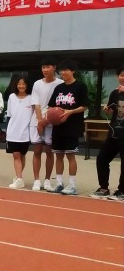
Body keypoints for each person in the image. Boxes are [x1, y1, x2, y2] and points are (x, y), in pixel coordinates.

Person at [45, 60, 88, 196]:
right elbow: (51, 105)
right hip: (58, 127)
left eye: (66, 70)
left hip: (72, 127)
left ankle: (72, 185)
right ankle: (58, 183)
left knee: (70, 155)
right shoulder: (59, 88)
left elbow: (85, 106)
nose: (63, 73)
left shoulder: (80, 87)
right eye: (62, 71)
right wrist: (53, 113)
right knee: (58, 155)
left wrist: (70, 111)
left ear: (73, 71)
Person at [91, 68, 124, 201]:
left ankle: (122, 191)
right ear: (117, 76)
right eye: (121, 75)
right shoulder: (115, 93)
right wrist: (107, 109)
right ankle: (104, 188)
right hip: (114, 131)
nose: (123, 77)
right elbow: (112, 109)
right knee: (102, 158)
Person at [30, 59, 62, 191]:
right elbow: (35, 104)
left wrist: (46, 120)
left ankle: (48, 180)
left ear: (54, 67)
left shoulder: (60, 84)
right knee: (37, 151)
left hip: (51, 122)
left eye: (48, 66)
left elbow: (57, 105)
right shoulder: (37, 84)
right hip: (36, 122)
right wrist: (39, 122)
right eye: (43, 67)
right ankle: (37, 180)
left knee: (49, 152)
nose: (45, 69)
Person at [4, 76, 34, 189]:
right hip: (13, 132)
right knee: (15, 155)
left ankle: (18, 177)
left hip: (25, 133)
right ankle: (20, 178)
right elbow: (9, 115)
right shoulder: (12, 97)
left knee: (22, 155)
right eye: (19, 84)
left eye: (23, 84)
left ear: (27, 85)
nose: (21, 86)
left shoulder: (31, 98)